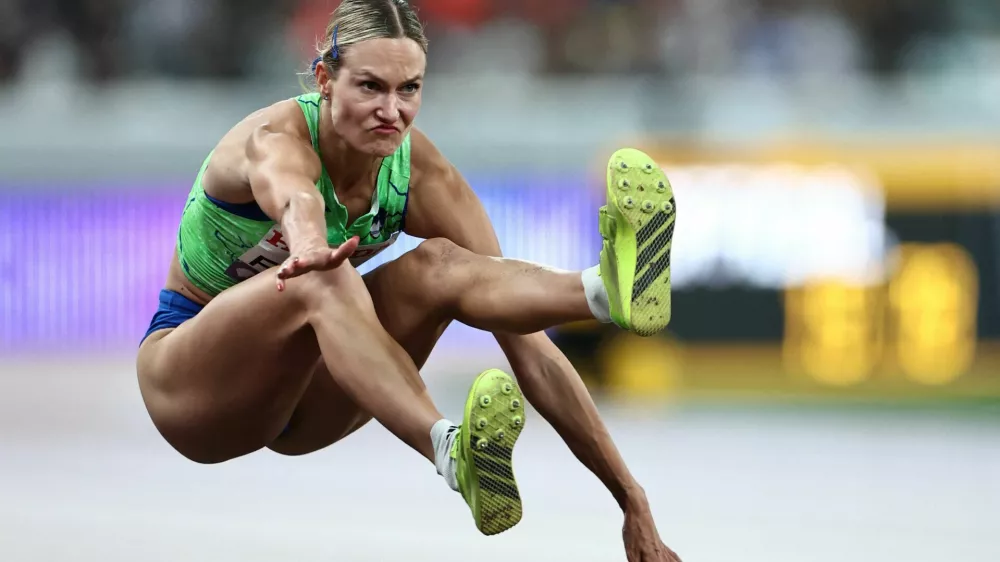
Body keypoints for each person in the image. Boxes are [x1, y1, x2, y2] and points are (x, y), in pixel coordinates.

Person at [134, 0, 679, 560]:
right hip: (192, 388)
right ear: (325, 78)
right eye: (370, 87)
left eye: (408, 90)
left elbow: (531, 350)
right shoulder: (274, 139)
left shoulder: (419, 173)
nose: (391, 111)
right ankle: (451, 452)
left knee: (440, 265)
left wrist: (632, 500)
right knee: (325, 278)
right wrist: (309, 248)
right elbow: (296, 198)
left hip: (307, 404)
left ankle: (603, 291)